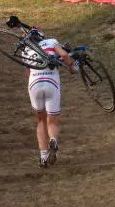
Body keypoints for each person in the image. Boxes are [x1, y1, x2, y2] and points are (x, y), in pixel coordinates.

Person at [23, 26, 78, 167]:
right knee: (52, 121)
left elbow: (27, 72)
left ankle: (43, 157)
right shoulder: (51, 42)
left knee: (40, 121)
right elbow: (65, 55)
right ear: (42, 36)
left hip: (34, 84)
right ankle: (53, 139)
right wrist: (72, 68)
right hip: (51, 83)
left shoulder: (26, 49)